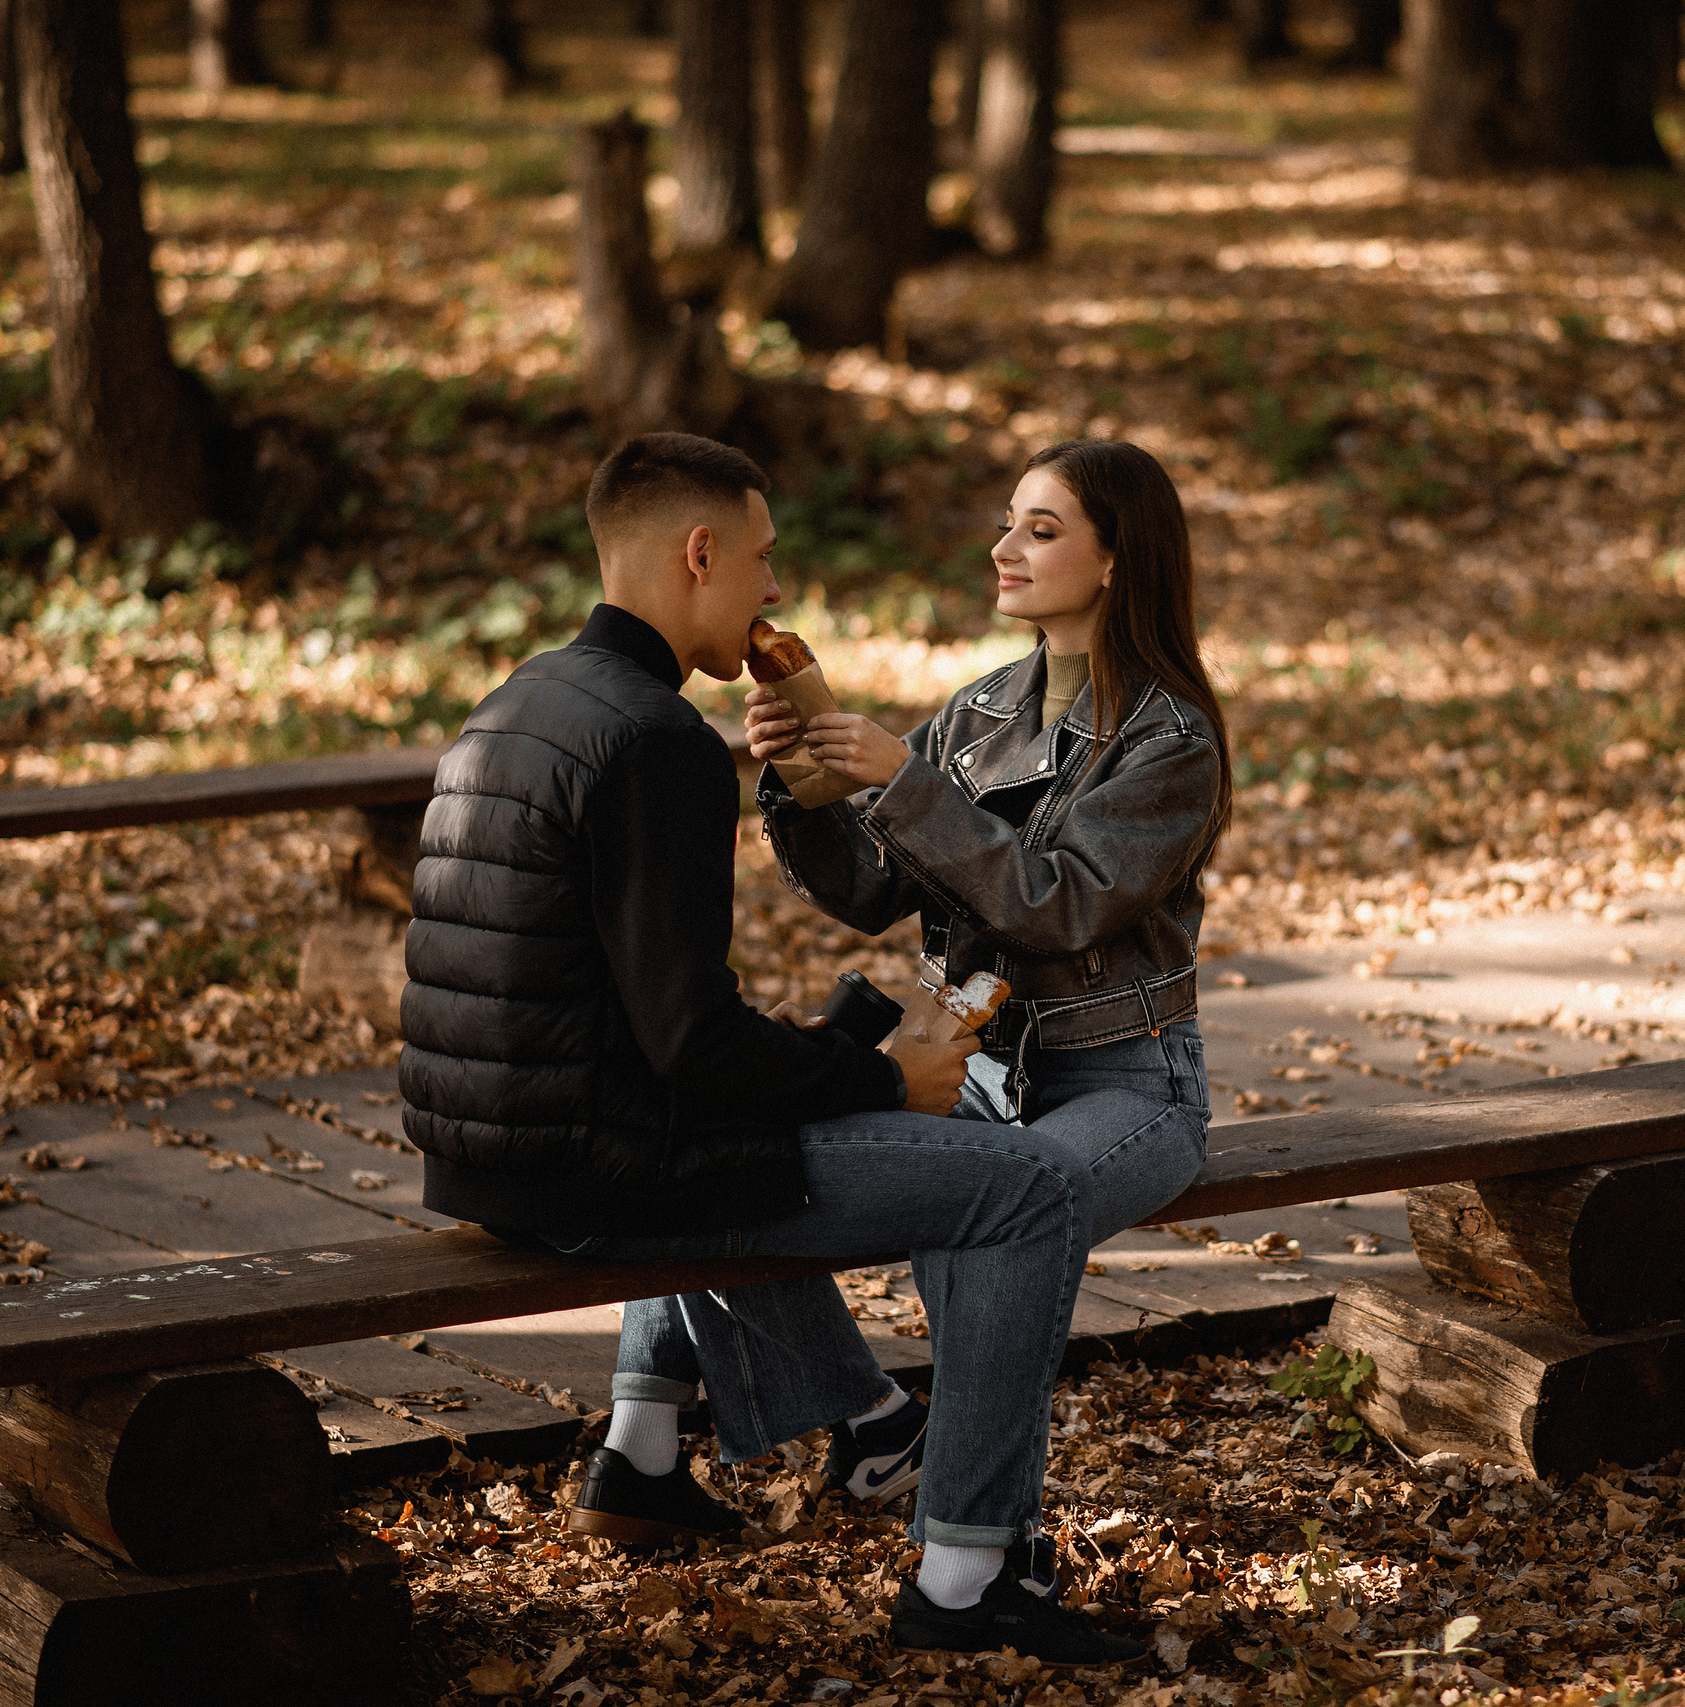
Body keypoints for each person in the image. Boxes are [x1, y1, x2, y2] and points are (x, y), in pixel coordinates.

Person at [397, 432, 1146, 1668]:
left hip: (483, 1155)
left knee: (814, 1074)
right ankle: (964, 1572)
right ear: (699, 554)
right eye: (761, 559)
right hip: (595, 1173)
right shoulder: (655, 743)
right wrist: (880, 1080)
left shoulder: (524, 695)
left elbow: (633, 1018)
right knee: (1028, 1187)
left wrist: (813, 1051)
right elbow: (691, 1050)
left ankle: (811, 1427)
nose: (774, 592)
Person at [741, 436, 1234, 1617]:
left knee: (1008, 1214)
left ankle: (969, 1558)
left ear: (1119, 559)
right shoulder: (978, 714)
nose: (1004, 547)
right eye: (1009, 521)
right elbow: (869, 892)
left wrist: (901, 784)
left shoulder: (1171, 743)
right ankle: (866, 1421)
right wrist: (795, 792)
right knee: (746, 1161)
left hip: (1125, 1082)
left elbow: (1058, 905)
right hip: (969, 1072)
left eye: (1043, 528)